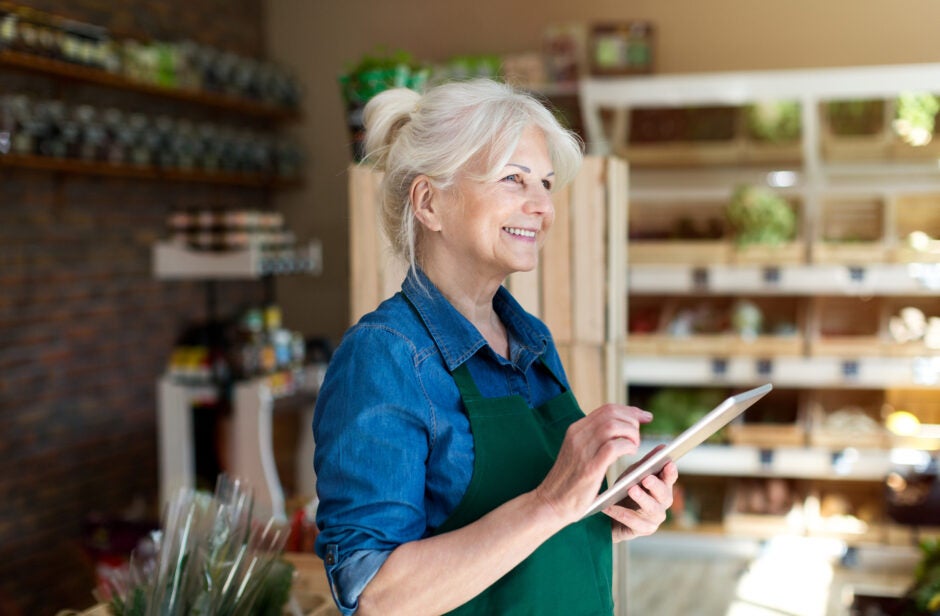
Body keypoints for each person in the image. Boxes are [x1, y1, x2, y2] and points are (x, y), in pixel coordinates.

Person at [313, 78, 678, 616]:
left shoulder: (530, 339)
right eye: (514, 179)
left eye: (547, 184)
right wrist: (552, 502)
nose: (542, 207)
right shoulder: (384, 356)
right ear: (429, 202)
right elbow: (376, 597)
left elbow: (529, 543)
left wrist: (604, 513)